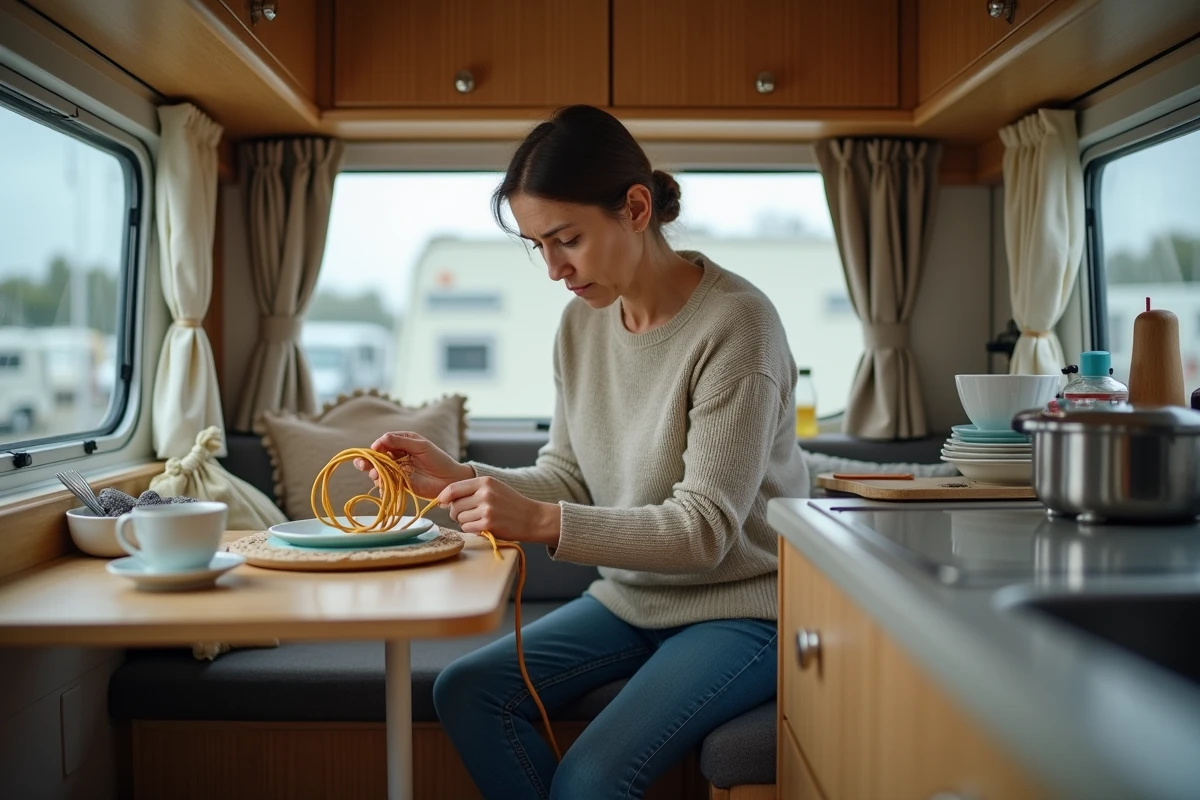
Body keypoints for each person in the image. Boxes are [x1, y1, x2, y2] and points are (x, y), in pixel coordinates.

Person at [358, 104, 809, 800]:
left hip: (742, 610)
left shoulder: (737, 327)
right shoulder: (581, 324)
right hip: (631, 598)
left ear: (635, 208)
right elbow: (567, 473)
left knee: (592, 779)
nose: (552, 269)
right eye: (537, 246)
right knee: (466, 691)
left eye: (564, 239)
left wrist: (540, 523)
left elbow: (705, 532)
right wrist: (461, 478)